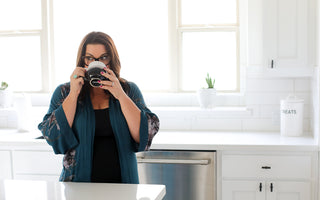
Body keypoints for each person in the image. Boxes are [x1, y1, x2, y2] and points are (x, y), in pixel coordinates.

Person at [38, 31, 160, 183]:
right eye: (89, 58)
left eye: (103, 57)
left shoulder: (128, 90)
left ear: (112, 59)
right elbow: (53, 136)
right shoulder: (65, 92)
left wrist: (120, 95)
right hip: (78, 185)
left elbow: (144, 135)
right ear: (83, 61)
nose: (96, 62)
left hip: (123, 185)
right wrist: (74, 94)